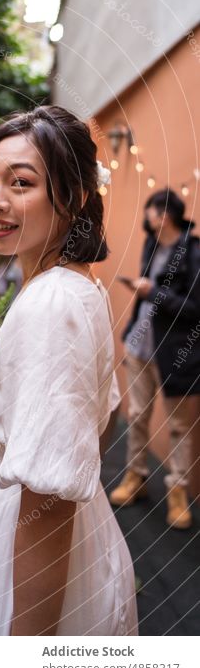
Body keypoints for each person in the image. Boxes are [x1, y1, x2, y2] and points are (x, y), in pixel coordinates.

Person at [0, 105, 138, 636]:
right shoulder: (73, 282)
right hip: (72, 543)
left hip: (40, 557)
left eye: (21, 183)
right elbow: (99, 418)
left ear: (73, 196)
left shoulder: (50, 304)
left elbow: (46, 504)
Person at [110, 189, 200, 529]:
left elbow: (195, 308)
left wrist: (154, 293)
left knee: (178, 425)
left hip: (178, 351)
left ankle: (178, 491)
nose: (150, 218)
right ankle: (136, 477)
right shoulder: (152, 246)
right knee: (136, 415)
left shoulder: (193, 252)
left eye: (153, 212)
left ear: (167, 215)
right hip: (140, 345)